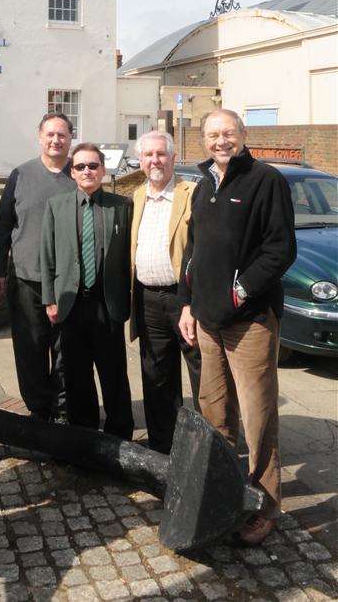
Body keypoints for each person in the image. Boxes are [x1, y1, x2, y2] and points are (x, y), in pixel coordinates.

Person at [178, 108, 296, 546]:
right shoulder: (203, 183)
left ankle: (264, 506)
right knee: (214, 413)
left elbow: (281, 248)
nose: (220, 141)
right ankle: (226, 492)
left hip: (249, 323)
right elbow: (193, 251)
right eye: (212, 134)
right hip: (206, 322)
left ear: (244, 135)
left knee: (258, 419)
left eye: (228, 132)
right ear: (203, 140)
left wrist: (239, 291)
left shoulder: (266, 180)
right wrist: (186, 304)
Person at [40, 144, 134, 437]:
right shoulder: (57, 206)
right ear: (72, 172)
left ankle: (120, 431)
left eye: (93, 165)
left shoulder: (122, 206)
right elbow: (48, 256)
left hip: (109, 303)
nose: (87, 171)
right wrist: (49, 299)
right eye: (80, 166)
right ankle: (85, 433)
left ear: (103, 170)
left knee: (114, 372)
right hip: (71, 303)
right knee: (77, 374)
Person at [0, 113, 75, 422]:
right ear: (40, 137)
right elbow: (1, 227)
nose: (55, 140)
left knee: (66, 352)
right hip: (27, 279)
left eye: (62, 135)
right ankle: (39, 410)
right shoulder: (21, 175)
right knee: (30, 350)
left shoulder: (80, 174)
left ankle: (63, 410)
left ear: (70, 138)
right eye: (50, 134)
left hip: (68, 282)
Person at [129, 131, 201, 454]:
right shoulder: (137, 195)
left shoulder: (192, 194)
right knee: (156, 376)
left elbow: (201, 251)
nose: (154, 160)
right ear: (140, 161)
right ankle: (162, 448)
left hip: (183, 300)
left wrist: (192, 303)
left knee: (201, 373)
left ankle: (205, 449)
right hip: (147, 299)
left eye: (161, 154)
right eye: (148, 155)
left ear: (173, 158)